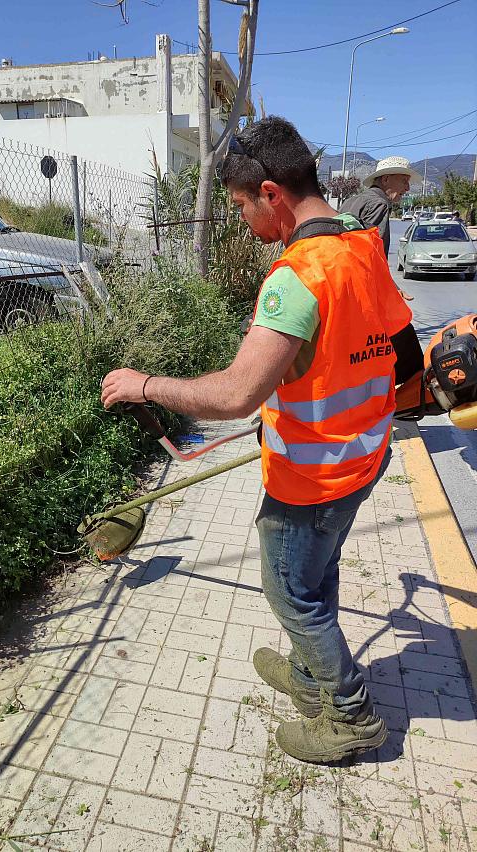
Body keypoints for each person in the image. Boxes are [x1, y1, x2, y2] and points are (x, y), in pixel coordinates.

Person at [101, 116, 419, 764]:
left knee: (291, 593)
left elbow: (236, 393)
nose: (243, 218)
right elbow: (402, 353)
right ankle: (309, 679)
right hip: (364, 460)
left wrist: (146, 383)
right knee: (317, 574)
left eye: (242, 205)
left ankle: (350, 715)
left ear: (271, 194)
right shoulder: (362, 249)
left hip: (312, 480)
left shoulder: (296, 278)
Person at [340, 156, 421, 301]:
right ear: (385, 180)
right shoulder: (379, 204)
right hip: (361, 288)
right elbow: (374, 254)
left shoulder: (351, 201)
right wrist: (391, 288)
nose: (407, 188)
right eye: (404, 181)